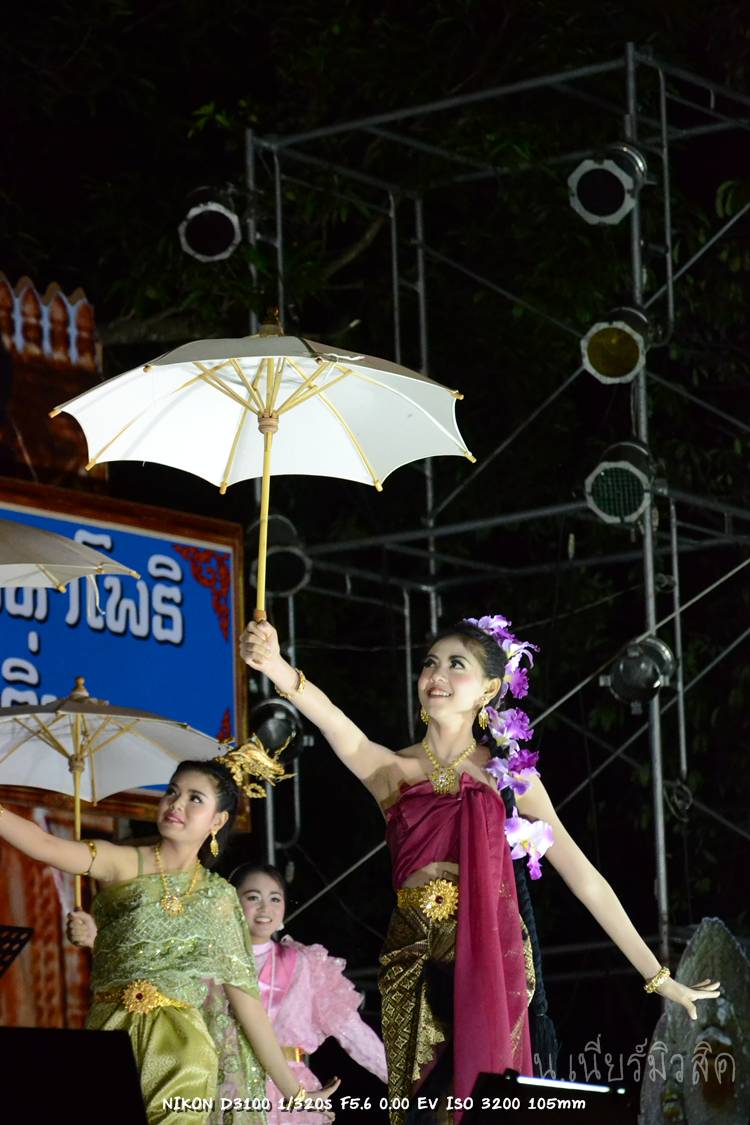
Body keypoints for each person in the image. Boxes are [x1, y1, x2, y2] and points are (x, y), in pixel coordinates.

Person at [240, 614, 721, 1125]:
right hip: (413, 958)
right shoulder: (391, 771)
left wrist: (656, 976)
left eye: (456, 664)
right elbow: (334, 720)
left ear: (489, 689)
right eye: (430, 663)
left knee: (479, 1101)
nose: (437, 674)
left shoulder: (510, 779)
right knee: (425, 1111)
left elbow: (585, 878)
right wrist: (275, 666)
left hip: (490, 954)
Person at [0, 750, 339, 1125]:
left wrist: (293, 1091)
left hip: (183, 1055)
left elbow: (246, 1002)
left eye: (195, 798)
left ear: (218, 820)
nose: (177, 804)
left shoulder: (218, 899)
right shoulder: (123, 862)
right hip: (109, 1039)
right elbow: (45, 845)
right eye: (172, 792)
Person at [70, 862, 388, 1125]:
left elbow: (352, 1031)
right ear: (229, 903)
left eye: (275, 899)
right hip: (217, 1086)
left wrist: (402, 1081)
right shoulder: (201, 958)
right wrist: (96, 939)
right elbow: (145, 971)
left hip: (286, 1092)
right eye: (253, 897)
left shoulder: (307, 965)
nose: (265, 908)